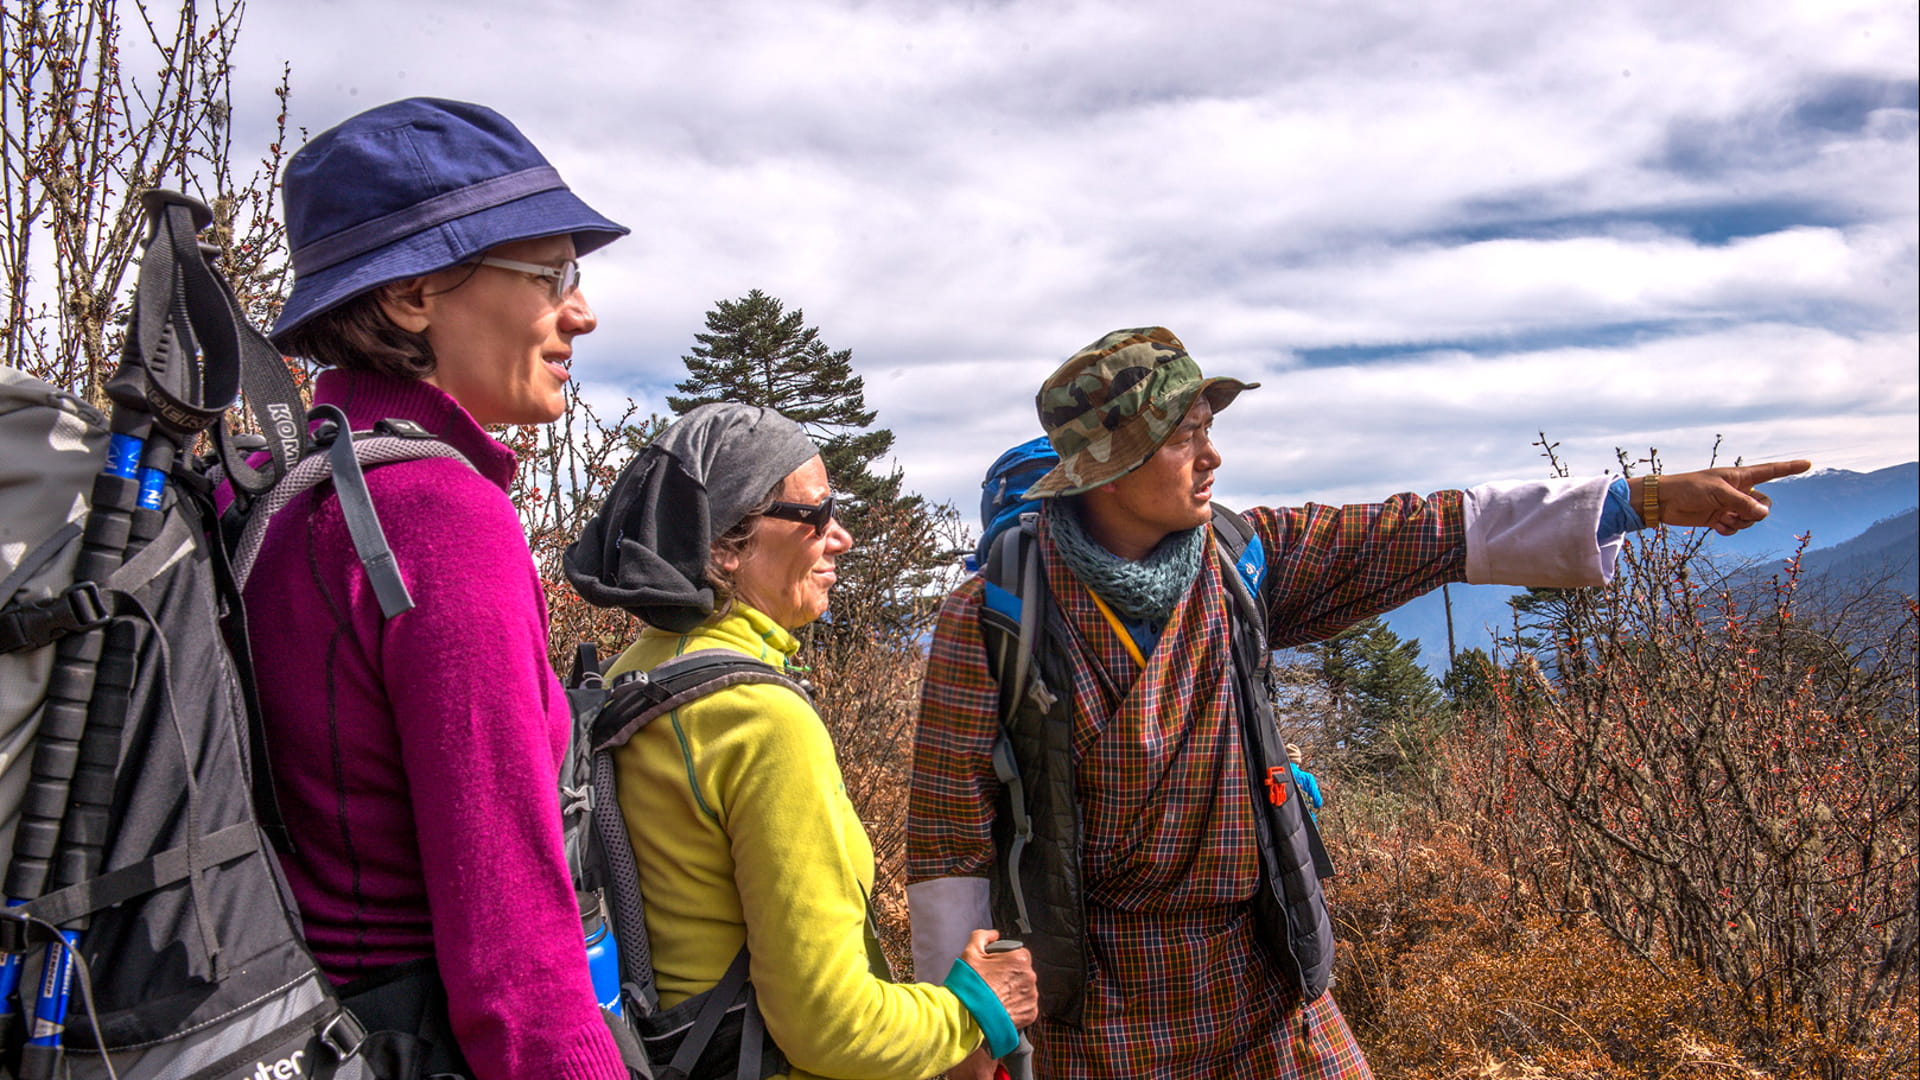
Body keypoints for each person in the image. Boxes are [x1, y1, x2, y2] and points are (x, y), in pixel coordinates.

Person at [907, 326, 1808, 1079]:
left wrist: (1642, 499)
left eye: (1207, 425)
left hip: (1264, 968)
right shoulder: (993, 616)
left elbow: (1424, 528)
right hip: (1095, 998)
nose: (1212, 453)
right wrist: (966, 1033)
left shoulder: (1240, 557)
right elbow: (951, 831)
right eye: (1182, 435)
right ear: (1109, 464)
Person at [241, 98, 631, 1078]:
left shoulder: (300, 491)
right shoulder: (436, 516)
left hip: (322, 1028)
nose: (580, 311)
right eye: (551, 276)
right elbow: (510, 927)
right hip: (422, 1043)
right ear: (416, 296)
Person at [563, 402, 1039, 1080]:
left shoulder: (627, 678)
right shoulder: (760, 721)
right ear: (728, 544)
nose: (839, 537)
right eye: (816, 514)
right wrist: (975, 1011)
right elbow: (834, 1028)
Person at [1287, 743, 1324, 818]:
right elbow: (1317, 803)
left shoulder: (1277, 777)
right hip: (1305, 822)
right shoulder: (1307, 778)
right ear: (1298, 761)